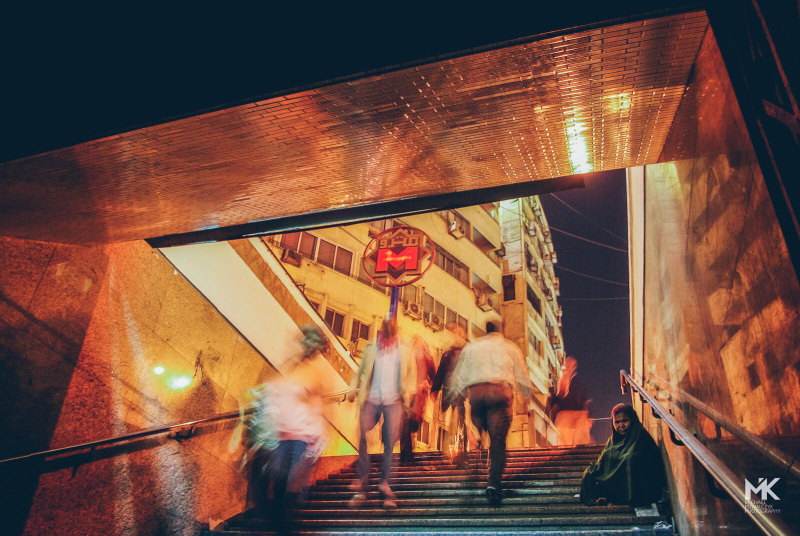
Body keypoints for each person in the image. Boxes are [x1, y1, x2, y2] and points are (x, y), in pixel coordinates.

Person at [450, 320, 533, 506]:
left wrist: (458, 396)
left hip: (477, 395)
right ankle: (493, 482)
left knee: (482, 432)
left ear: (485, 330)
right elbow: (521, 374)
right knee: (497, 441)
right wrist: (525, 395)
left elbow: (459, 375)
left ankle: (477, 447)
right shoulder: (509, 347)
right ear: (502, 330)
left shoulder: (472, 348)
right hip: (499, 394)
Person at [347, 315, 417, 509]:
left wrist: (408, 397)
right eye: (384, 338)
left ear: (396, 334)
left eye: (390, 337)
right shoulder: (371, 350)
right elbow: (359, 372)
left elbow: (411, 375)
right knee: (361, 435)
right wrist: (353, 389)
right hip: (371, 399)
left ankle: (385, 484)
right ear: (381, 334)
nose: (387, 341)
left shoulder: (404, 350)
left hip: (393, 401)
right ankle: (362, 483)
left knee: (390, 443)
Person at [580, 404, 666, 507]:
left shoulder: (641, 436)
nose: (621, 425)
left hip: (639, 484)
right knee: (590, 472)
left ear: (632, 420)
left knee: (630, 459)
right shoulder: (612, 440)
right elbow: (602, 461)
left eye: (625, 421)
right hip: (616, 480)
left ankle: (623, 499)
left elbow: (648, 463)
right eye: (617, 422)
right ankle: (604, 497)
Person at [431, 326, 468, 467]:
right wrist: (435, 389)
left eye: (459, 332)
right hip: (448, 392)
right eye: (455, 333)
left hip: (461, 392)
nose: (456, 335)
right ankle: (451, 451)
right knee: (451, 423)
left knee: (459, 421)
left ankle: (460, 452)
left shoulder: (467, 353)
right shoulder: (447, 354)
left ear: (464, 336)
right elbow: (440, 372)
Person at [400, 335, 436, 462]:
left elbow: (433, 373)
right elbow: (434, 374)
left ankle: (406, 454)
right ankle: (407, 454)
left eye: (416, 342)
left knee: (408, 424)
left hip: (415, 394)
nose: (415, 344)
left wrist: (431, 387)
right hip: (412, 394)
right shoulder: (414, 355)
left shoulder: (421, 355)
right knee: (407, 424)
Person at [552, 356, 591, 445]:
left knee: (580, 437)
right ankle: (568, 452)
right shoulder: (562, 377)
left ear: (574, 366)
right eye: (568, 364)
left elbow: (585, 397)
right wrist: (555, 403)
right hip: (565, 412)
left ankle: (580, 452)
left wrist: (588, 415)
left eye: (572, 364)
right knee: (565, 436)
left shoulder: (578, 379)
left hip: (579, 412)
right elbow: (559, 395)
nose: (569, 366)